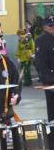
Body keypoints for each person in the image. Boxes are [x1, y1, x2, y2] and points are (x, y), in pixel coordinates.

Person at [34, 15, 54, 149]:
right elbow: (40, 63)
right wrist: (50, 81)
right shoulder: (41, 40)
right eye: (51, 25)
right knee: (53, 114)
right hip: (51, 81)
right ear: (45, 27)